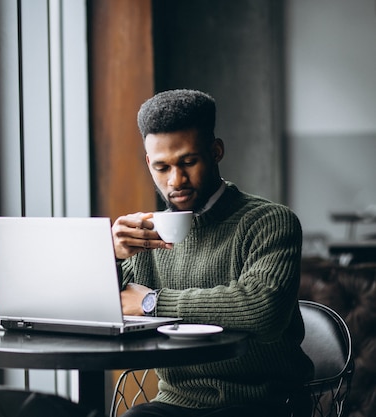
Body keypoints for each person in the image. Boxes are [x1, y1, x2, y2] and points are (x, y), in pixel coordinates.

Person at [112, 89, 314, 417]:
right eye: (162, 167)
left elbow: (262, 310)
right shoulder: (149, 235)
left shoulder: (271, 221)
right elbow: (108, 304)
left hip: (265, 403)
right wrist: (114, 256)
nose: (176, 180)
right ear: (149, 163)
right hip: (175, 402)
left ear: (216, 151)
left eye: (188, 162)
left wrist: (153, 302)